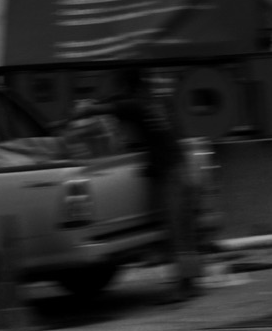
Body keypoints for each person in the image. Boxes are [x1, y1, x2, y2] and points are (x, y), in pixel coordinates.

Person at [78, 67, 202, 303]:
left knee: (177, 231)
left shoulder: (134, 105)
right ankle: (192, 282)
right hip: (182, 168)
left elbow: (99, 109)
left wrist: (82, 109)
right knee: (185, 230)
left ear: (126, 85)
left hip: (173, 174)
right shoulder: (152, 102)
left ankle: (185, 286)